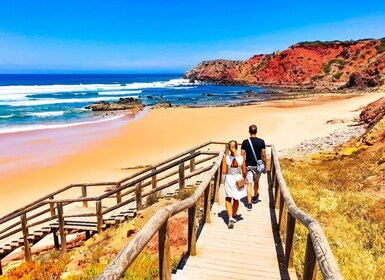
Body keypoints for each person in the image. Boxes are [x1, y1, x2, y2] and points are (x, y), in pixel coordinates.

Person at [241, 124, 266, 211]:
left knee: (249, 184)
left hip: (249, 165)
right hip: (258, 166)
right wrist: (265, 166)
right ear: (256, 131)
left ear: (249, 131)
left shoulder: (245, 142)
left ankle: (249, 203)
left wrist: (242, 167)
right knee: (256, 182)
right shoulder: (261, 141)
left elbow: (242, 155)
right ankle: (255, 195)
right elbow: (263, 155)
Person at [222, 140, 246, 229]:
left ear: (228, 147)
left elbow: (224, 171)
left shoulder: (226, 158)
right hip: (238, 178)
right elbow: (244, 171)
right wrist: (244, 179)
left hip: (229, 178)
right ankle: (234, 215)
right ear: (237, 147)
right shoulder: (241, 158)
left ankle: (230, 217)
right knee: (236, 198)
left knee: (228, 198)